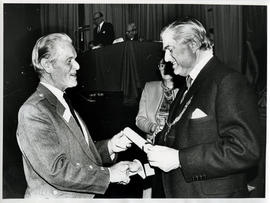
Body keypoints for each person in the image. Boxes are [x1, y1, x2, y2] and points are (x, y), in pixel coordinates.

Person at [145, 17, 261, 198]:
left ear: (192, 44)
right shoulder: (187, 84)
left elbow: (245, 149)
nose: (166, 58)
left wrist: (179, 159)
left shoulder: (227, 81)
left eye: (169, 49)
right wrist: (145, 166)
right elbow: (174, 141)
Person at [16, 33, 142, 198]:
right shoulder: (33, 111)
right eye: (69, 61)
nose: (77, 66)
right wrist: (109, 174)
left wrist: (110, 146)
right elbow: (56, 170)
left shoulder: (62, 100)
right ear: (47, 65)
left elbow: (78, 152)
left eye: (75, 59)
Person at [136, 59, 178, 144]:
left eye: (168, 64)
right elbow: (139, 119)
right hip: (154, 142)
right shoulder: (149, 87)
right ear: (159, 68)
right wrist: (153, 127)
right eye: (162, 65)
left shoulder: (185, 89)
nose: (165, 68)